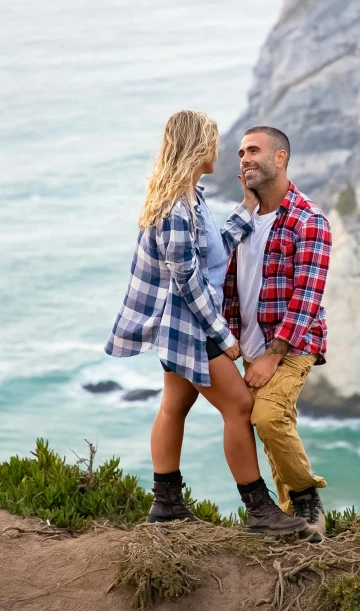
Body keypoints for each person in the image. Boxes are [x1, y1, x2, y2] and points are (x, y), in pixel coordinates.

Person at [105, 110, 308, 536]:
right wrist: (224, 335)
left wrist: (245, 210)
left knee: (174, 407)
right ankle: (259, 510)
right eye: (215, 143)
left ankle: (166, 505)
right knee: (239, 407)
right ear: (198, 146)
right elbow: (188, 281)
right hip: (192, 329)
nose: (222, 151)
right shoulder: (177, 208)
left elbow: (212, 251)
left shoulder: (188, 197)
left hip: (178, 329)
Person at [223, 126, 332, 538]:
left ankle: (306, 499)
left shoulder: (308, 219)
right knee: (268, 426)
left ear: (280, 158)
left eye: (254, 150)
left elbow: (307, 296)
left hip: (292, 344)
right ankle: (294, 524)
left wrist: (272, 355)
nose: (245, 158)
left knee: (268, 417)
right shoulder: (243, 220)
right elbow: (228, 281)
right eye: (241, 153)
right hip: (249, 347)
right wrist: (229, 338)